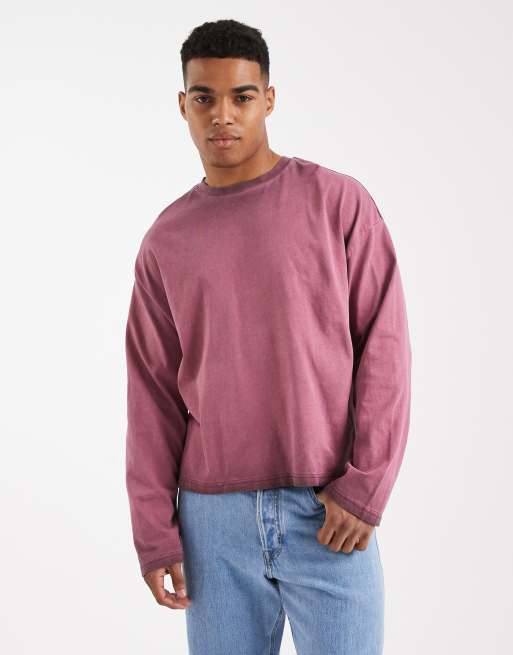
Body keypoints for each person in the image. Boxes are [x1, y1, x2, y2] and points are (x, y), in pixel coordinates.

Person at [124, 18, 412, 654]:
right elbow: (151, 393)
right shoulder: (166, 240)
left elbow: (385, 348)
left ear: (269, 99)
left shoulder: (337, 204)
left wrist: (365, 487)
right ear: (183, 105)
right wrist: (154, 529)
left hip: (329, 511)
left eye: (242, 96)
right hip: (212, 525)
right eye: (205, 97)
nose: (223, 115)